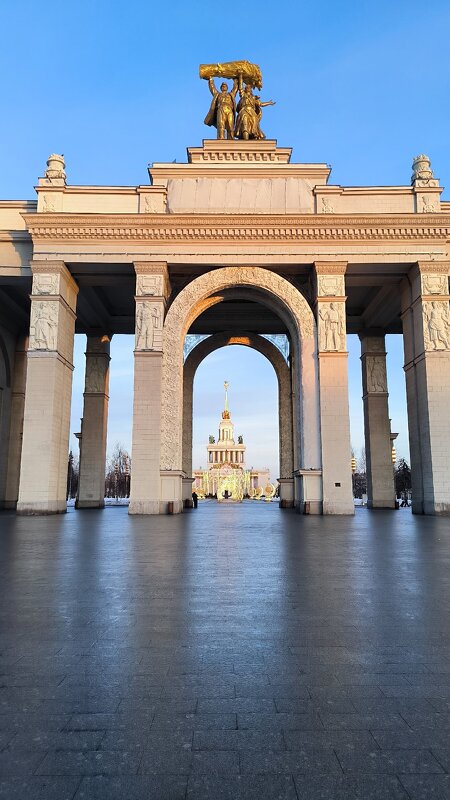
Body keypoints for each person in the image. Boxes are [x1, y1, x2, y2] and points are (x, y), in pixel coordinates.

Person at [235, 74, 275, 140]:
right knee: (245, 123)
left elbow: (260, 104)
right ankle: (245, 139)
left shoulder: (253, 98)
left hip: (252, 112)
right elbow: (240, 87)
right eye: (246, 88)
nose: (248, 89)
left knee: (254, 124)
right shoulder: (243, 95)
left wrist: (269, 103)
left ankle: (254, 135)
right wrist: (240, 75)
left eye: (249, 88)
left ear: (251, 90)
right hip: (244, 110)